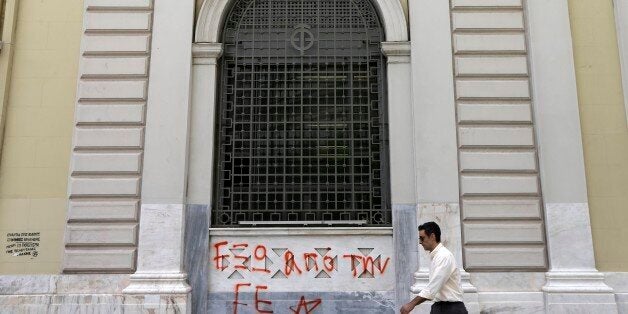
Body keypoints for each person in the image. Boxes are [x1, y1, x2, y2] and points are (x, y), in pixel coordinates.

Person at [400, 222, 468, 314]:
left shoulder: (444, 256)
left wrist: (411, 304)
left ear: (432, 236)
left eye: (422, 238)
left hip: (451, 309)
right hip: (440, 307)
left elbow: (433, 287)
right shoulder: (436, 256)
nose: (420, 242)